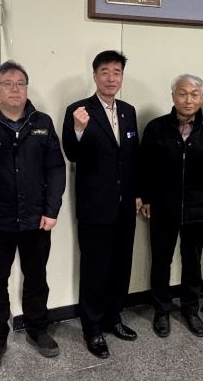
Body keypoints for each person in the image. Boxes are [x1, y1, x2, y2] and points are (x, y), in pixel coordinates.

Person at [0, 60, 66, 370]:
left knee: (37, 278)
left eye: (20, 83)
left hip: (36, 218)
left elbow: (55, 168)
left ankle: (38, 329)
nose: (15, 89)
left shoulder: (41, 122)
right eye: (7, 83)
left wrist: (51, 209)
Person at [62, 50, 141, 359]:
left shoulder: (128, 111)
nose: (111, 78)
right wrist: (78, 129)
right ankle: (92, 328)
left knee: (121, 265)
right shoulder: (78, 110)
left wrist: (137, 193)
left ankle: (113, 317)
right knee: (95, 268)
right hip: (95, 205)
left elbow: (132, 157)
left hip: (125, 205)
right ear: (94, 76)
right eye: (105, 72)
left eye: (116, 72)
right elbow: (72, 153)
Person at [140, 74, 203, 338]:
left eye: (194, 94)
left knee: (193, 261)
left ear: (201, 98)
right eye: (183, 93)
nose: (188, 99)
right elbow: (144, 165)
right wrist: (146, 197)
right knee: (161, 261)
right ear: (173, 96)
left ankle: (190, 309)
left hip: (199, 208)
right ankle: (162, 310)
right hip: (164, 207)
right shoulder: (156, 127)